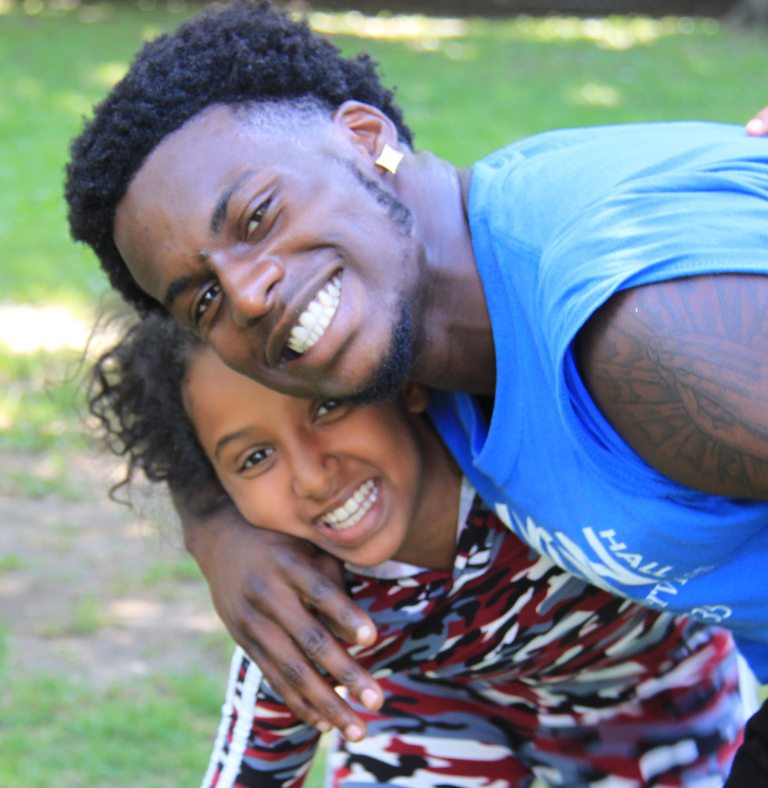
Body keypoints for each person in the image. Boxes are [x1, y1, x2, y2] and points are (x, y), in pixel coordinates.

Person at [63, 2, 768, 780]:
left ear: (366, 138)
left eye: (258, 215)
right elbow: (188, 407)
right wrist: (217, 529)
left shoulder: (645, 333)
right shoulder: (436, 333)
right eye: (203, 300)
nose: (250, 294)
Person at [92, 313, 751, 788]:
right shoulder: (303, 606)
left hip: (651, 694)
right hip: (431, 709)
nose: (312, 474)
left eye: (325, 408)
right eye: (255, 457)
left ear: (398, 379)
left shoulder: (534, 463)